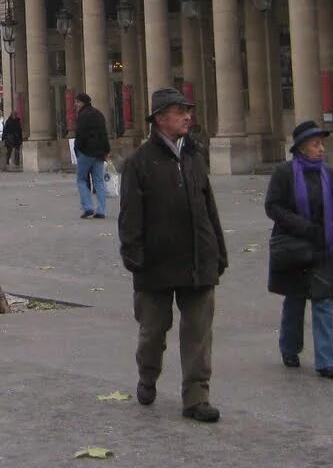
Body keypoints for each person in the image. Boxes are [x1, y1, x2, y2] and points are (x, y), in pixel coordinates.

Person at [118, 88, 228, 423]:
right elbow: (129, 217)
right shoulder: (139, 162)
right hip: (155, 264)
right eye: (180, 112)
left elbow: (209, 208)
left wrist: (218, 252)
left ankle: (196, 396)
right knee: (153, 331)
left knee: (198, 333)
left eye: (187, 111)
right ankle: (148, 374)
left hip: (198, 260)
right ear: (161, 118)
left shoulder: (194, 156)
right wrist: (134, 257)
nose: (188, 116)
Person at [265, 120, 333, 380]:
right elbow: (273, 206)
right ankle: (289, 347)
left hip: (324, 249)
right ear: (301, 148)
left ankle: (327, 360)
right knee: (295, 299)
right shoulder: (284, 173)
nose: (321, 149)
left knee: (324, 302)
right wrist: (302, 226)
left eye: (321, 144)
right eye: (316, 144)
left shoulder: (327, 174)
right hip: (295, 248)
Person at [73, 92, 111, 219]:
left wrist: (78, 148)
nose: (75, 104)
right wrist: (106, 150)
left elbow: (80, 134)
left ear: (83, 102)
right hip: (99, 152)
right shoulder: (99, 114)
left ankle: (88, 207)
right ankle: (101, 210)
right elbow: (104, 133)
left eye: (77, 101)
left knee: (81, 179)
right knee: (99, 181)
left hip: (86, 152)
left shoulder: (82, 116)